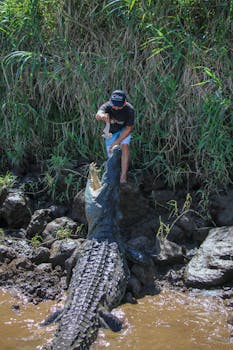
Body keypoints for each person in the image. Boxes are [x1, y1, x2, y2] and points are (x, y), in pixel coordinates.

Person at [96, 90, 135, 184]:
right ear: (110, 101)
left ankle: (123, 176)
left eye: (119, 105)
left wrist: (117, 142)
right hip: (111, 132)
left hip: (124, 130)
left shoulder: (129, 110)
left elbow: (128, 129)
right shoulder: (107, 106)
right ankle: (112, 176)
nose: (116, 108)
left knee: (125, 146)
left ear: (124, 103)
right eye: (114, 105)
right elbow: (98, 114)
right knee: (111, 154)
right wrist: (102, 116)